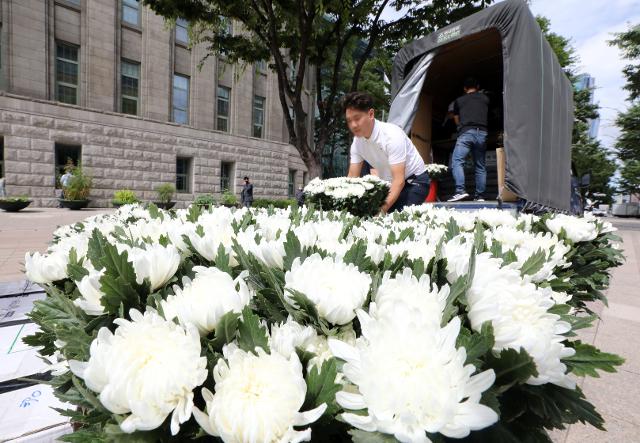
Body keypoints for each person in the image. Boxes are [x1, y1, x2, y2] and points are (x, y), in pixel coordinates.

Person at [344, 92, 429, 213]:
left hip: (414, 181)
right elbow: (352, 177)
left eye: (357, 118)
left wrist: (380, 211)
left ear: (371, 114)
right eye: (349, 121)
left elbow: (399, 181)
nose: (353, 125)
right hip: (390, 184)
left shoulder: (391, 135)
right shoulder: (357, 142)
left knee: (396, 218)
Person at [448, 77, 490, 202]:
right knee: (480, 165)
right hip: (482, 133)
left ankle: (460, 191)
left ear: (464, 88)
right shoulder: (485, 99)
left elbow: (456, 118)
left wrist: (460, 127)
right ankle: (480, 196)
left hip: (466, 132)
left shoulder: (459, 101)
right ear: (477, 87)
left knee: (457, 161)